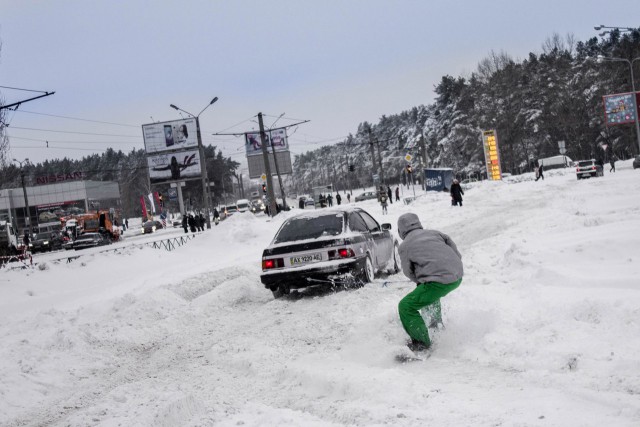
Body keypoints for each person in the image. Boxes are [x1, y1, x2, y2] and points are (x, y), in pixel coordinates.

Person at [397, 213, 463, 352]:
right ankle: (436, 326)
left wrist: (420, 279)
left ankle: (421, 344)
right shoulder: (436, 234)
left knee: (406, 306)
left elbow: (408, 272)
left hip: (439, 282)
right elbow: (456, 252)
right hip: (457, 276)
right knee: (427, 291)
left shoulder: (405, 246)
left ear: (400, 231)